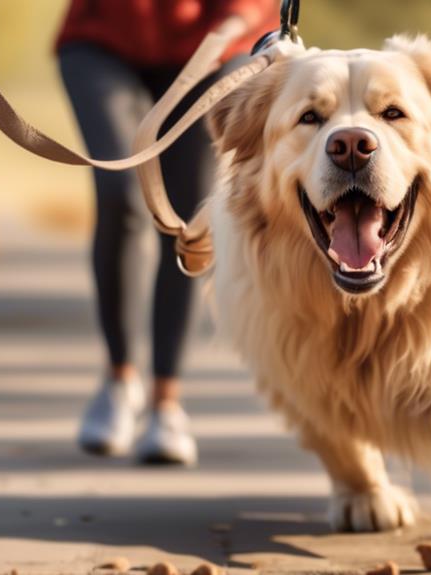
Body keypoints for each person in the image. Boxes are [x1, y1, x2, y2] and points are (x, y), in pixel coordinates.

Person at [56, 0, 278, 465]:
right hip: (103, 40)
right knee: (119, 193)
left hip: (221, 39)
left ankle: (165, 404)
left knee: (188, 212)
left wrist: (241, 15)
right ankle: (119, 380)